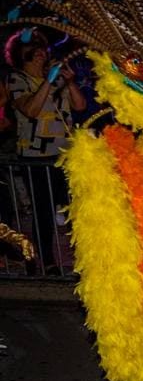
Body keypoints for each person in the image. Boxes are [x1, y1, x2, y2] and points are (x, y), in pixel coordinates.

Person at [5, 29, 87, 270]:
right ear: (22, 55)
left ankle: (82, 259)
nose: (41, 53)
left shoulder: (56, 77)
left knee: (74, 207)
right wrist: (47, 83)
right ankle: (46, 261)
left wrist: (69, 82)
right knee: (43, 211)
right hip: (36, 157)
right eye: (35, 50)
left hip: (65, 154)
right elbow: (31, 110)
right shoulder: (16, 79)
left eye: (43, 49)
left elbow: (80, 105)